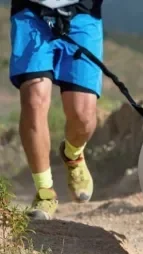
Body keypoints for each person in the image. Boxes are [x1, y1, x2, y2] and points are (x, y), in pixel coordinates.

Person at [9, 0, 104, 220]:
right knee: (33, 100)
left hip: (83, 13)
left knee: (83, 116)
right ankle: (45, 192)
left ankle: (73, 155)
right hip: (30, 13)